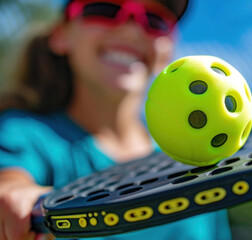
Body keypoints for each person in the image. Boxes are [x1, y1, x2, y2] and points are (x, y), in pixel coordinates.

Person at [0, 0, 232, 239]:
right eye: (105, 9)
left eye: (154, 21)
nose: (132, 30)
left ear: (167, 51)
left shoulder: (198, 165)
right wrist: (16, 194)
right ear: (61, 35)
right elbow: (11, 182)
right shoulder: (27, 134)